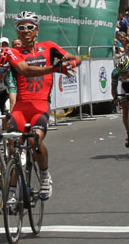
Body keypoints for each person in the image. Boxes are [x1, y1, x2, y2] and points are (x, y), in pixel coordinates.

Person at [6, 11, 82, 202]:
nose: (25, 31)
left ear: (37, 29)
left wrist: (70, 64)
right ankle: (13, 191)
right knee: (14, 145)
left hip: (40, 105)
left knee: (34, 142)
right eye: (21, 27)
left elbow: (75, 58)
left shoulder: (49, 47)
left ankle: (45, 175)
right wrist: (55, 68)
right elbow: (25, 70)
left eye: (30, 27)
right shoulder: (13, 51)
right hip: (21, 106)